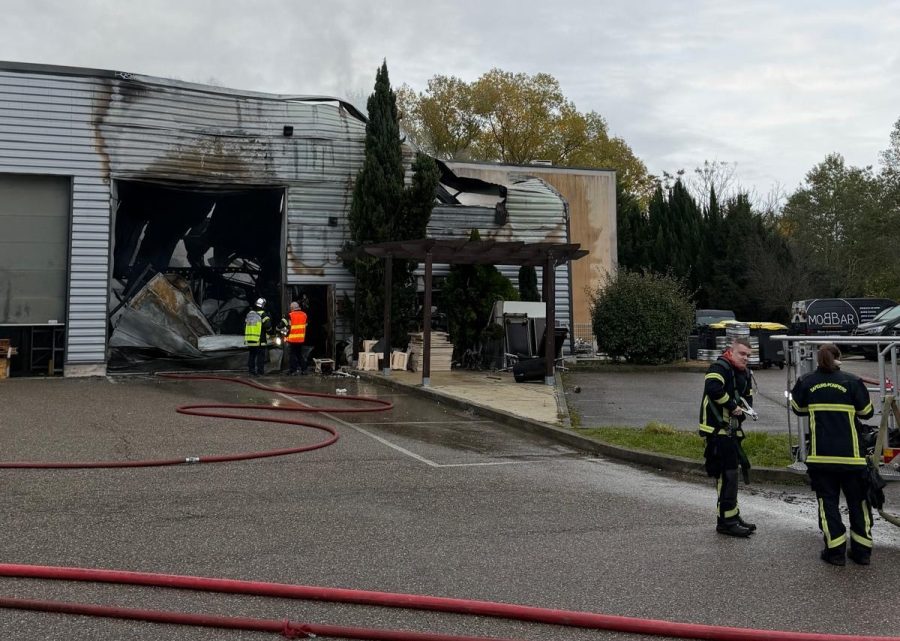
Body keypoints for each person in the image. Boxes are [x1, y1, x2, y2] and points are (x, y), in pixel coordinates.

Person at [790, 343, 875, 566]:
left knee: (828, 504)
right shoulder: (852, 381)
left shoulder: (806, 381)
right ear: (839, 358)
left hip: (821, 457)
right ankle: (862, 552)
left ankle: (835, 552)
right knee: (859, 503)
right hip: (852, 457)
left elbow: (797, 408)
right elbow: (867, 412)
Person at [698, 337, 756, 537]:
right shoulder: (719, 367)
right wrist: (732, 406)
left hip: (731, 431)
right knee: (727, 475)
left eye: (748, 355)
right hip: (717, 431)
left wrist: (744, 410)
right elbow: (713, 388)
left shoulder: (744, 372)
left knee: (731, 475)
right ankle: (726, 522)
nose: (745, 358)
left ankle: (732, 516)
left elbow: (747, 397)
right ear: (731, 352)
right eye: (742, 353)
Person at [244, 297, 273, 376]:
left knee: (252, 355)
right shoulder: (263, 314)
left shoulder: (249, 314)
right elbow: (268, 325)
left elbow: (245, 325)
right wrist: (269, 332)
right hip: (260, 339)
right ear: (263, 305)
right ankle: (260, 372)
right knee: (260, 356)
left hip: (250, 339)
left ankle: (251, 371)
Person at [286, 300, 309, 375]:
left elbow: (288, 327)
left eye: (290, 308)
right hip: (301, 338)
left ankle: (293, 370)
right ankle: (304, 369)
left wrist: (285, 336)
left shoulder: (290, 315)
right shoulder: (304, 315)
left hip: (292, 338)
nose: (290, 309)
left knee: (292, 355)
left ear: (292, 308)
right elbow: (306, 325)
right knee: (299, 354)